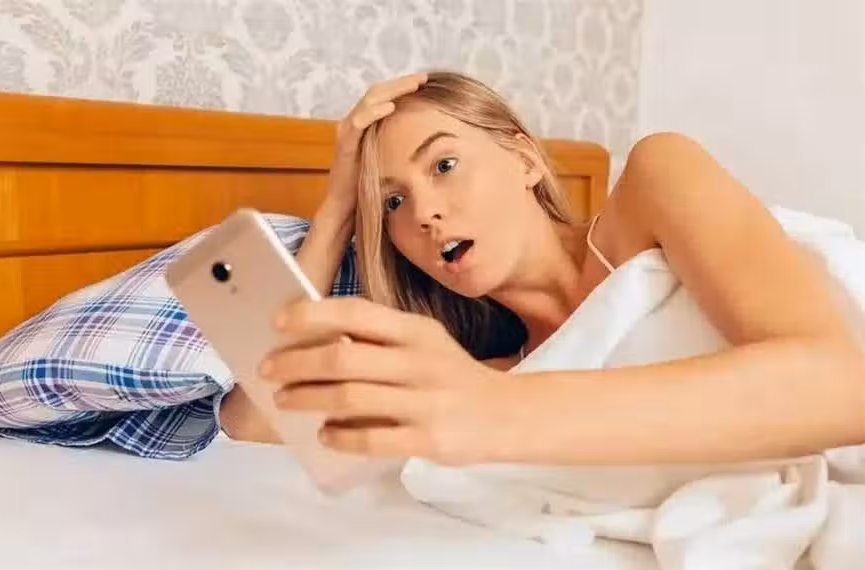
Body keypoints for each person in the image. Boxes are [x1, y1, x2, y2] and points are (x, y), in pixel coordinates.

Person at [220, 70, 865, 467]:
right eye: (392, 203)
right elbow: (254, 421)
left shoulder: (655, 182)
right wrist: (338, 208)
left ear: (526, 160)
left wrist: (495, 411)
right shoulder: (491, 374)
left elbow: (842, 386)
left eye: (444, 165)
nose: (424, 213)